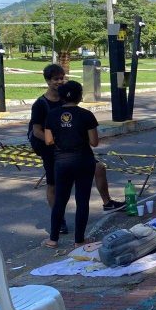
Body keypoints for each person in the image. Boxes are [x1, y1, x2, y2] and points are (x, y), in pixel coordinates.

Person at [28, 65, 123, 235]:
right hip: (52, 151)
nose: (59, 81)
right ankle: (60, 221)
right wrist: (55, 143)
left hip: (76, 152)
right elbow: (37, 131)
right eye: (55, 79)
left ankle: (107, 202)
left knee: (99, 168)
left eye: (61, 78)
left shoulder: (67, 101)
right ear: (48, 81)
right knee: (53, 185)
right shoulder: (40, 105)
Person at [43, 81, 99, 248]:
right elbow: (94, 142)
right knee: (82, 200)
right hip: (83, 160)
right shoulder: (87, 115)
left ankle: (53, 239)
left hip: (61, 161)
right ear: (80, 96)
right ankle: (79, 240)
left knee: (60, 199)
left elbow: (48, 140)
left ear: (60, 96)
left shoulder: (52, 115)